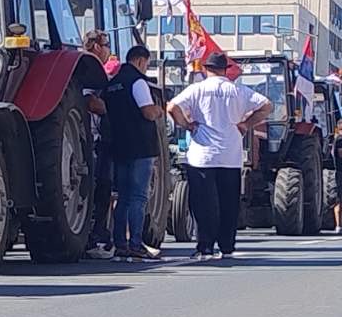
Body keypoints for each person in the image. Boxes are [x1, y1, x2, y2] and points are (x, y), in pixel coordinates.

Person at [167, 51, 268, 261]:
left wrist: (187, 125)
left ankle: (205, 246)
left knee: (203, 203)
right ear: (225, 70)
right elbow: (267, 106)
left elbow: (172, 107)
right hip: (230, 155)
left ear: (206, 69)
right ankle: (227, 246)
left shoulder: (197, 89)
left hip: (202, 155)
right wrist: (246, 124)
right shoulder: (238, 90)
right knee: (228, 203)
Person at [103, 43, 163, 261]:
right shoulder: (137, 81)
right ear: (140, 60)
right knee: (138, 196)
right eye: (146, 64)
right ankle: (136, 243)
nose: (146, 68)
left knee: (124, 197)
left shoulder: (112, 84)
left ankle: (120, 243)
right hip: (141, 147)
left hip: (120, 146)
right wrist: (158, 110)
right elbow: (147, 112)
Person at [81, 31, 116, 260]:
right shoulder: (88, 70)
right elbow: (90, 101)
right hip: (94, 140)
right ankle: (95, 237)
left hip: (99, 139)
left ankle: (99, 234)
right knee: (99, 189)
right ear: (95, 47)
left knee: (103, 189)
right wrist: (113, 107)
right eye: (106, 44)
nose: (108, 50)